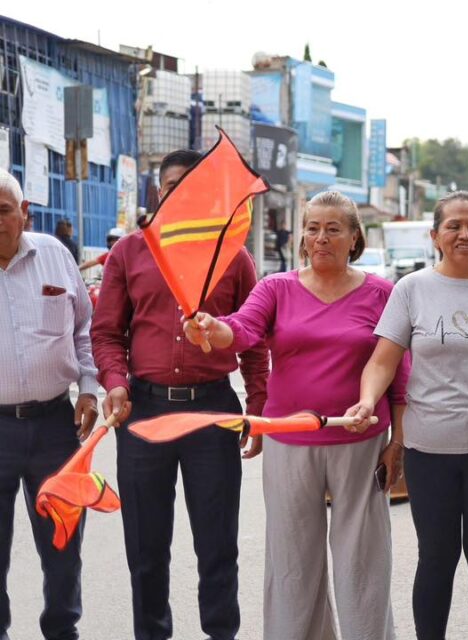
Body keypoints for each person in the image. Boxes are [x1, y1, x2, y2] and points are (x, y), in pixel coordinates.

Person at [184, 191, 407, 639]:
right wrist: (214, 327)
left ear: (354, 237)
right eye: (312, 228)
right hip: (290, 439)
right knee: (292, 561)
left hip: (360, 441)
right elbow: (242, 329)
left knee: (363, 560)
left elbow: (399, 374)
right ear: (302, 236)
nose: (321, 238)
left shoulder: (383, 293)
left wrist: (398, 441)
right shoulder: (276, 288)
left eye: (333, 229)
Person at [91, 149, 268, 640]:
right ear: (157, 190)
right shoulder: (130, 252)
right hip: (144, 411)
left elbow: (254, 339)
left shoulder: (233, 255)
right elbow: (106, 333)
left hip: (212, 411)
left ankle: (221, 633)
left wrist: (258, 408)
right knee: (145, 548)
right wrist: (116, 382)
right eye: (172, 186)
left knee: (217, 545)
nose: (179, 195)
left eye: (191, 187)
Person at [345, 191, 468, 640]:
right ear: (435, 236)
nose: (464, 234)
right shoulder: (411, 289)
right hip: (428, 451)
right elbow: (382, 362)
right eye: (454, 226)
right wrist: (367, 401)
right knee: (436, 557)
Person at [0, 170, 99, 640]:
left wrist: (89, 388)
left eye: (3, 210)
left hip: (55, 424)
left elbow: (85, 329)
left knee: (63, 541)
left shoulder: (55, 255)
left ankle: (62, 630)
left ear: (24, 213)